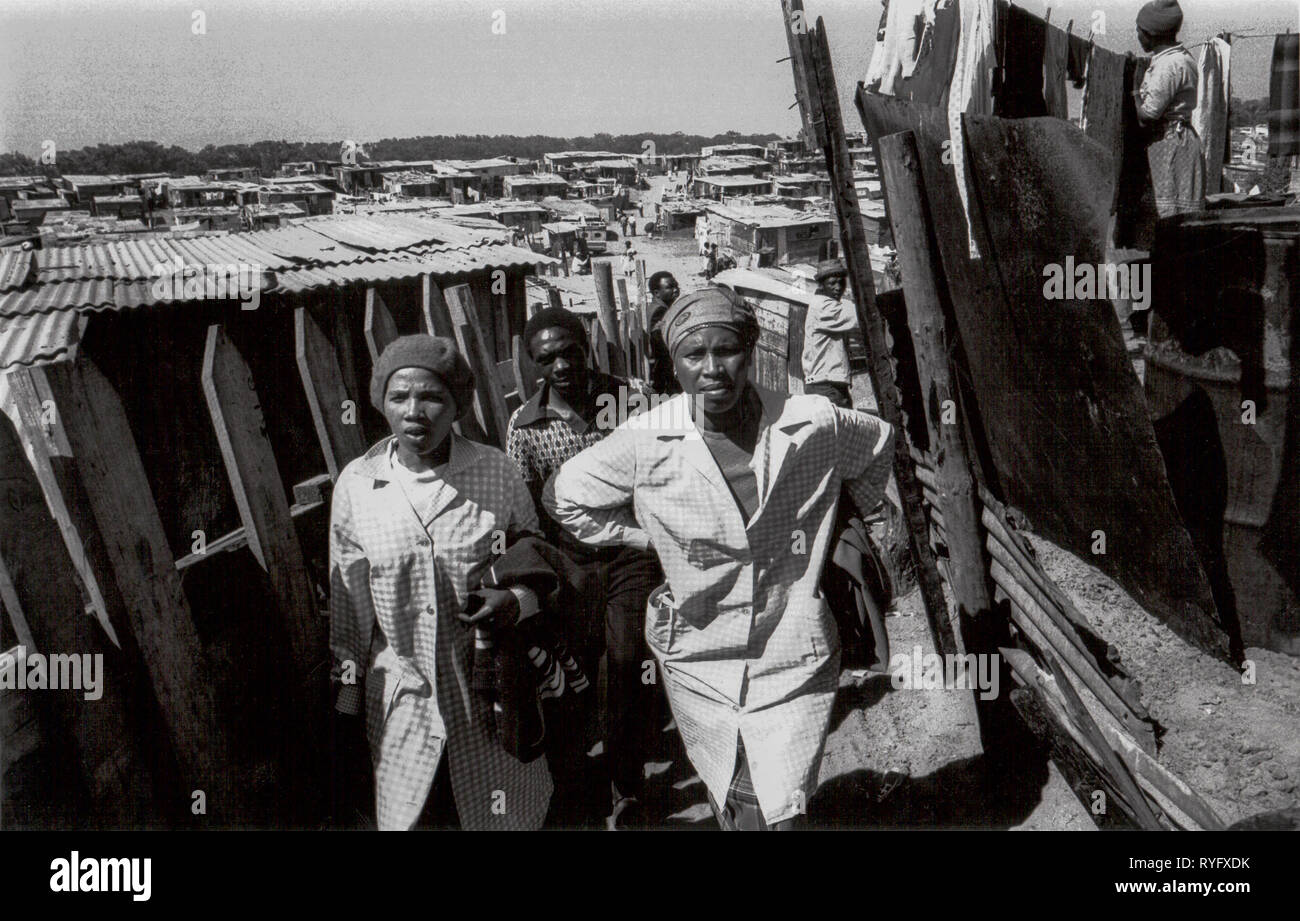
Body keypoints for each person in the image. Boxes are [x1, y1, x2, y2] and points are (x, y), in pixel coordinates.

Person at [544, 287, 895, 830]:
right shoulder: (645, 440)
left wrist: (841, 523)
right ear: (674, 364)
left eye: (726, 350)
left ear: (749, 350)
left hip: (791, 645)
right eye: (693, 355)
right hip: (698, 651)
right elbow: (563, 496)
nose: (713, 369)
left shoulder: (812, 422)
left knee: (781, 803)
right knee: (731, 788)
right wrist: (648, 539)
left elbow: (877, 447)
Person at [329, 335, 553, 830]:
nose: (415, 412)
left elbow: (535, 557)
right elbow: (349, 615)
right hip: (402, 706)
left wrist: (515, 600)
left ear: (457, 404)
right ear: (380, 403)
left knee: (500, 817)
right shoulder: (358, 485)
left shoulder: (494, 469)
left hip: (489, 692)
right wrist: (346, 707)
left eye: (432, 397)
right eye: (399, 397)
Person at [508, 309, 664, 828]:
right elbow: (525, 505)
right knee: (575, 672)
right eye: (546, 357)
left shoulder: (626, 397)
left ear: (587, 348)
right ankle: (578, 785)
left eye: (569, 351)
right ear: (534, 364)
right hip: (571, 563)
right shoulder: (526, 425)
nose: (561, 365)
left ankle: (627, 787)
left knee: (625, 663)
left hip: (630, 553)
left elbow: (666, 463)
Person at [1133, 0, 1204, 218]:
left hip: (1170, 145)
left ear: (1152, 33)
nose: (1137, 35)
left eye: (1139, 30)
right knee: (1178, 221)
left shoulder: (1169, 66)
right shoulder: (1180, 58)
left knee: (1168, 218)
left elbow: (1147, 116)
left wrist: (1134, 88)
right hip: (1181, 141)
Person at [801, 259, 857, 409]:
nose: (838, 288)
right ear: (821, 284)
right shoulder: (824, 307)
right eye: (832, 283)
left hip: (827, 385)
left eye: (841, 282)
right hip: (827, 386)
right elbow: (860, 315)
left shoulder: (823, 303)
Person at [646, 270, 683, 396]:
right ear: (656, 293)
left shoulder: (659, 306)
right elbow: (659, 340)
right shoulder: (660, 310)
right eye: (670, 287)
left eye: (676, 285)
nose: (675, 289)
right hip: (662, 365)